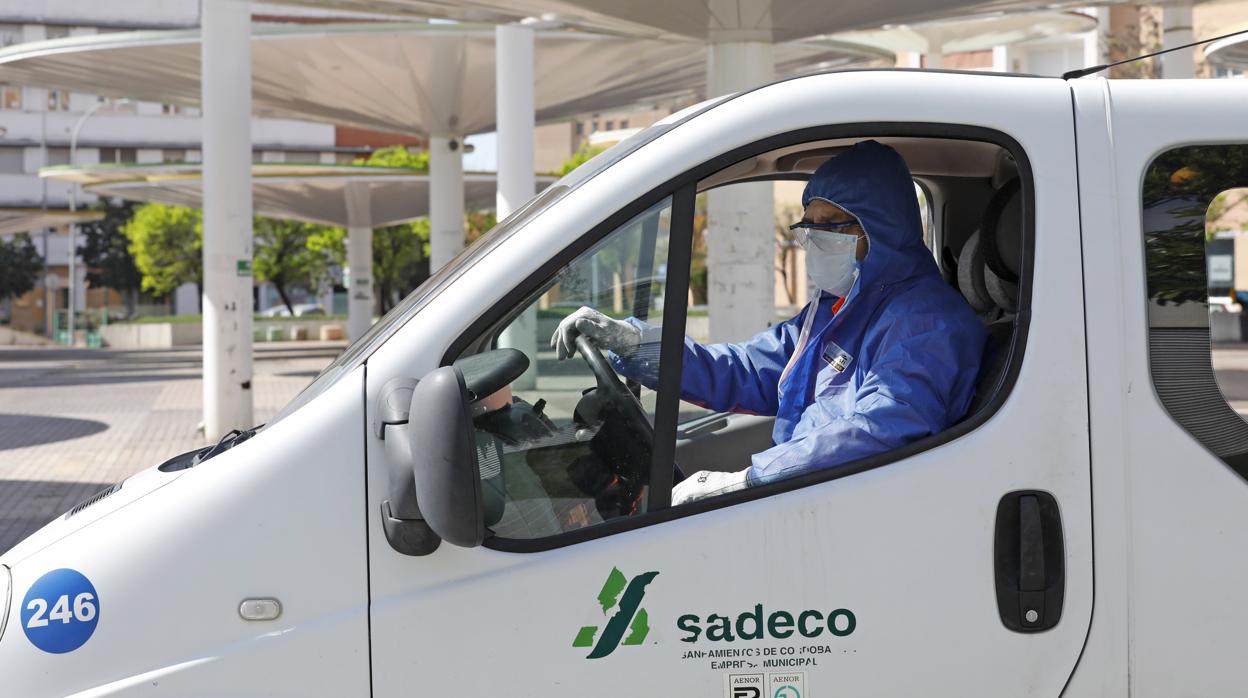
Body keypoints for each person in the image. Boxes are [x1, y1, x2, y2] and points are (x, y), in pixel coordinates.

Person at [551, 140, 987, 505]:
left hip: (853, 513)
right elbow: (746, 371)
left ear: (880, 229)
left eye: (830, 226)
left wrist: (751, 480)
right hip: (809, 500)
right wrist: (637, 344)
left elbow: (879, 428)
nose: (814, 240)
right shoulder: (837, 309)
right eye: (808, 227)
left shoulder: (927, 324)